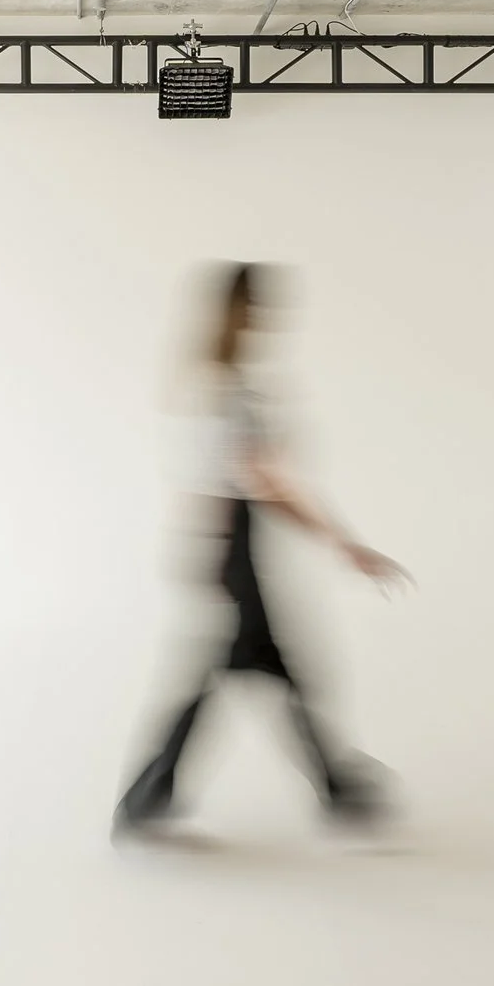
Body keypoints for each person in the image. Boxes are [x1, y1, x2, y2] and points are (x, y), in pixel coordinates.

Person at [115, 261, 409, 837]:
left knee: (263, 667)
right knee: (254, 669)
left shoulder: (209, 381)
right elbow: (260, 479)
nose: (266, 317)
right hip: (233, 543)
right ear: (238, 310)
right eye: (256, 306)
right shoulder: (225, 389)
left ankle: (157, 797)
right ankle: (148, 800)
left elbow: (223, 479)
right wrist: (342, 542)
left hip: (225, 540)